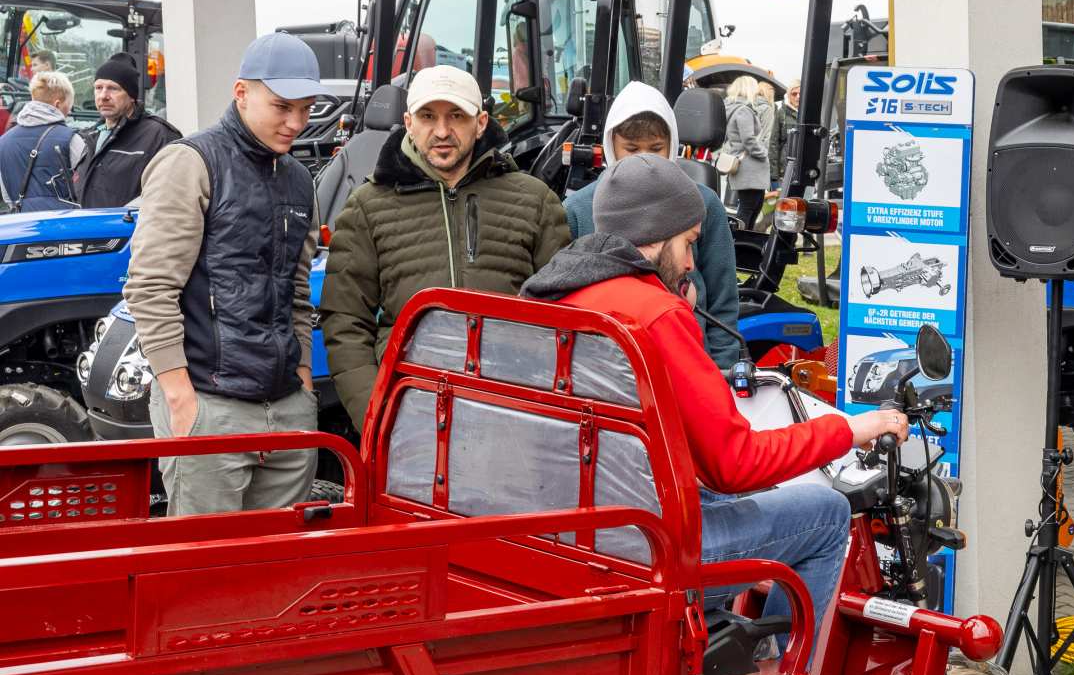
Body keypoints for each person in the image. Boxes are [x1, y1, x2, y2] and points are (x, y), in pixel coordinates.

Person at [523, 153, 908, 675]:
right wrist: (847, 429)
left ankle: (714, 670)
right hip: (646, 552)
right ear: (656, 238)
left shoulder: (555, 294)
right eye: (689, 243)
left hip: (572, 530)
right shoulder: (655, 313)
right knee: (825, 512)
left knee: (735, 502)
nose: (691, 261)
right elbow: (734, 463)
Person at [124, 33, 335, 516]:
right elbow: (150, 285)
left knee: (278, 557)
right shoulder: (191, 162)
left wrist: (303, 380)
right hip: (207, 403)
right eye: (282, 106)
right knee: (204, 558)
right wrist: (179, 396)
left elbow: (296, 288)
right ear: (241, 92)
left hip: (286, 406)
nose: (296, 122)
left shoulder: (299, 179)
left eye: (305, 109)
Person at [320, 65, 570, 429]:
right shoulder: (368, 207)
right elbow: (345, 321)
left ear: (480, 122)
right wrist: (377, 417)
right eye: (427, 116)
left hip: (515, 415)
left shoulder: (534, 201)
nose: (441, 131)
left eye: (456, 116)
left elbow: (566, 315)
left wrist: (547, 411)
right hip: (411, 420)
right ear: (408, 123)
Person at [562, 80, 740, 369]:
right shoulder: (578, 209)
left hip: (689, 363)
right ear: (611, 146)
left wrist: (721, 370)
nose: (644, 157)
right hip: (606, 369)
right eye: (631, 149)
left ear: (672, 144)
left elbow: (723, 301)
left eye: (656, 148)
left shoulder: (703, 204)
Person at [72, 51, 180, 209]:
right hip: (86, 224)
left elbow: (171, 195)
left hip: (131, 225)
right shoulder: (89, 136)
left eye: (113, 88)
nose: (103, 96)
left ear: (131, 96)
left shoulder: (159, 135)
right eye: (98, 88)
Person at [0, 71, 86, 211]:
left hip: (22, 220)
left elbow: (7, 196)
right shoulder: (71, 139)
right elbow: (87, 187)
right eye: (69, 105)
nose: (69, 112)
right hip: (64, 221)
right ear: (57, 104)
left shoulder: (3, 141)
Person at [723, 75, 770, 229]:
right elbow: (748, 139)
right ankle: (740, 240)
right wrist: (762, 153)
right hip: (750, 167)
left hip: (744, 165)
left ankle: (743, 238)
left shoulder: (732, 108)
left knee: (751, 207)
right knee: (749, 208)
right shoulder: (743, 110)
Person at [768, 77, 801, 191]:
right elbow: (773, 144)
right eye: (794, 94)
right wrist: (774, 175)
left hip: (803, 169)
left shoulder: (808, 113)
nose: (798, 97)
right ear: (789, 95)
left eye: (800, 94)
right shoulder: (781, 113)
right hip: (785, 170)